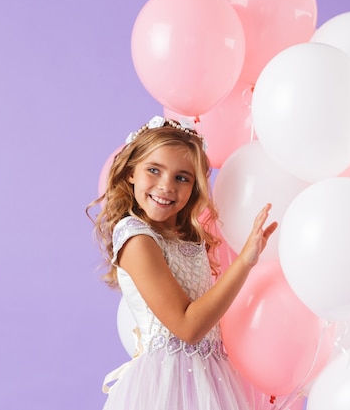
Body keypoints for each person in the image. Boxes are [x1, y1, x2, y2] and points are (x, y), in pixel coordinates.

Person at [87, 116, 278, 410]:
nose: (166, 186)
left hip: (210, 378)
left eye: (182, 177)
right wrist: (245, 261)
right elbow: (187, 327)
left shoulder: (187, 238)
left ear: (194, 186)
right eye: (154, 170)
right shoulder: (136, 238)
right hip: (165, 385)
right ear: (130, 174)